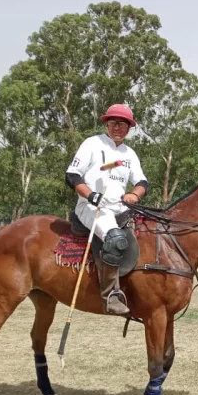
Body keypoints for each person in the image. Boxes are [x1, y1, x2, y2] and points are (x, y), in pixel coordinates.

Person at [65, 104, 149, 315]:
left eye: (122, 124)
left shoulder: (129, 153)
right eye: (112, 122)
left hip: (120, 208)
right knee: (114, 239)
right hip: (91, 207)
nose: (117, 127)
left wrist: (135, 194)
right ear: (106, 124)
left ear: (129, 127)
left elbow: (142, 182)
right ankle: (110, 296)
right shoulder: (92, 144)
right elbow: (72, 175)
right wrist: (91, 195)